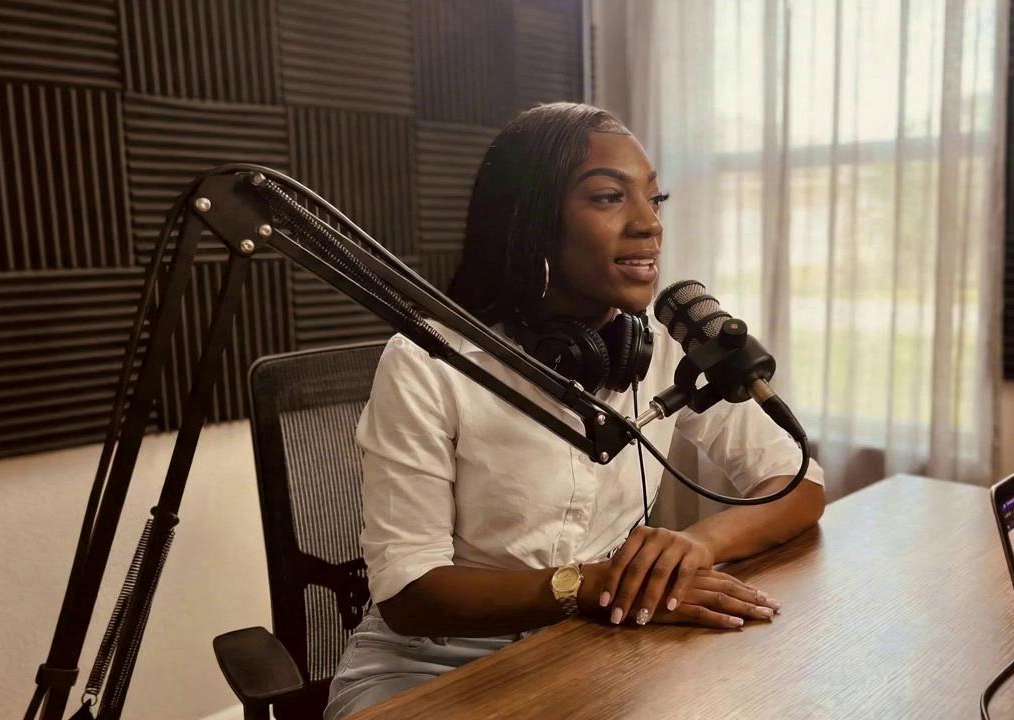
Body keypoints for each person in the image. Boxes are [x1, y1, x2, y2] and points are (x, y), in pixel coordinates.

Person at [324, 102, 826, 720]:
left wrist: (695, 546)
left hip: (594, 645)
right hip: (430, 667)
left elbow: (799, 485)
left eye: (654, 199)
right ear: (532, 222)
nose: (649, 224)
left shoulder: (665, 348)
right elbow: (411, 593)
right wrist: (590, 584)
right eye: (609, 198)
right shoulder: (428, 362)